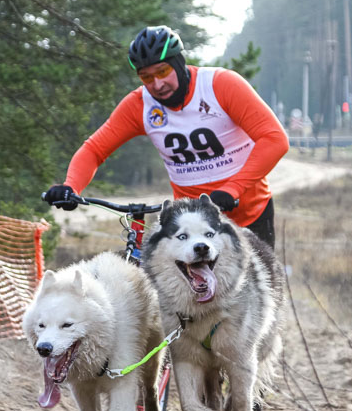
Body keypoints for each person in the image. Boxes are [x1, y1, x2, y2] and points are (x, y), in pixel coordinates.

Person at [43, 25, 288, 248]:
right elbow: (94, 149)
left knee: (261, 295)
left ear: (180, 63)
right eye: (147, 77)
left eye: (163, 71)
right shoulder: (140, 105)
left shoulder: (221, 85)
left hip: (249, 214)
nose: (157, 84)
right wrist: (71, 186)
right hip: (192, 225)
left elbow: (274, 139)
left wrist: (232, 189)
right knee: (180, 293)